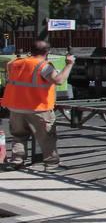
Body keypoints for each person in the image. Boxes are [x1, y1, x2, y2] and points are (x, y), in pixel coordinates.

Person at [3, 40, 75, 170]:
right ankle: (52, 164)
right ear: (47, 52)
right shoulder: (44, 66)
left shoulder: (14, 63)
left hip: (15, 107)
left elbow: (9, 67)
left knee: (19, 136)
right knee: (47, 138)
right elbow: (58, 80)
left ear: (31, 50)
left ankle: (17, 162)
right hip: (38, 108)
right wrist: (69, 64)